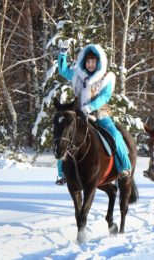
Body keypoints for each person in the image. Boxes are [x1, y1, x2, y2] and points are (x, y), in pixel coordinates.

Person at [55, 40, 132, 185]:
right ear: (84, 62)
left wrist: (90, 107)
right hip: (79, 114)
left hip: (99, 114)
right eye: (88, 61)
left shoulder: (106, 78)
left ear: (98, 62)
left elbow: (105, 96)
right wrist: (63, 53)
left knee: (115, 135)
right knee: (64, 136)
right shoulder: (77, 75)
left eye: (93, 62)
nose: (90, 64)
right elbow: (62, 70)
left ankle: (125, 165)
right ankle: (62, 173)